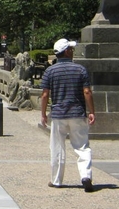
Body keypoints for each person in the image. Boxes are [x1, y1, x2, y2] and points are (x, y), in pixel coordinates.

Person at [39, 38, 95, 192]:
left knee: (57, 147)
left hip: (58, 114)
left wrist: (43, 114)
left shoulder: (50, 71)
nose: (72, 51)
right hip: (77, 113)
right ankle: (86, 176)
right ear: (67, 52)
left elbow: (45, 95)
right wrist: (92, 111)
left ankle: (56, 180)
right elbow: (87, 92)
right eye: (71, 49)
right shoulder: (80, 69)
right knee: (82, 146)